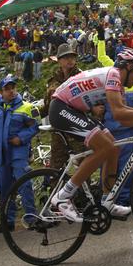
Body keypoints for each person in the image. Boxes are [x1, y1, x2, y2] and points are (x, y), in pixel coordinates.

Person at [48, 47, 133, 222]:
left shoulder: (118, 84)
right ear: (129, 67)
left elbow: (124, 119)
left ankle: (107, 202)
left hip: (74, 110)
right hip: (61, 108)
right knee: (105, 146)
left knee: (112, 148)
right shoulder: (113, 74)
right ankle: (63, 196)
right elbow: (119, 113)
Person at [0, 76, 39, 231]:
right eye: (7, 89)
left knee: (24, 184)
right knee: (4, 188)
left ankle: (32, 217)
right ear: (1, 92)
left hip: (18, 152)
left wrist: (21, 138)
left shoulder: (26, 106)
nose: (11, 91)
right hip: (1, 154)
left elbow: (34, 127)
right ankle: (8, 221)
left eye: (13, 88)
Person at [44, 43, 84, 171]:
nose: (70, 60)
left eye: (72, 57)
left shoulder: (82, 77)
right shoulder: (53, 79)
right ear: (59, 61)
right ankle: (57, 189)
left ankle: (82, 190)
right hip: (58, 129)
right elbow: (47, 104)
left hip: (76, 126)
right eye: (66, 57)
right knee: (56, 165)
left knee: (83, 164)